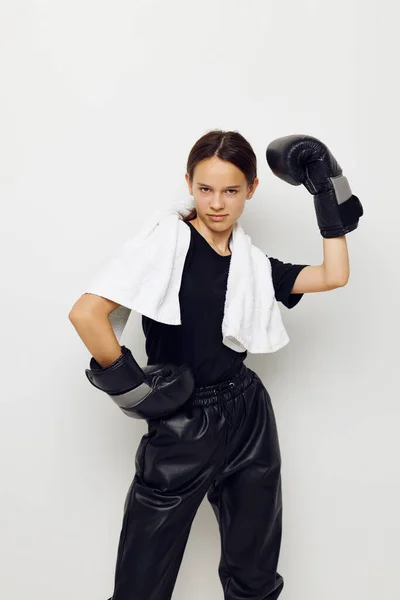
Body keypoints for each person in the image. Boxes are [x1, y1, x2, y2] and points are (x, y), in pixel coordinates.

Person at [69, 129, 361, 600]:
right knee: (140, 587)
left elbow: (334, 275)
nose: (217, 204)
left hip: (248, 417)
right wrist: (137, 394)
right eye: (205, 189)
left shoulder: (252, 264)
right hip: (182, 424)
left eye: (231, 190)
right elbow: (86, 314)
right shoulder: (166, 246)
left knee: (256, 578)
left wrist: (328, 190)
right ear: (188, 183)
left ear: (251, 189)